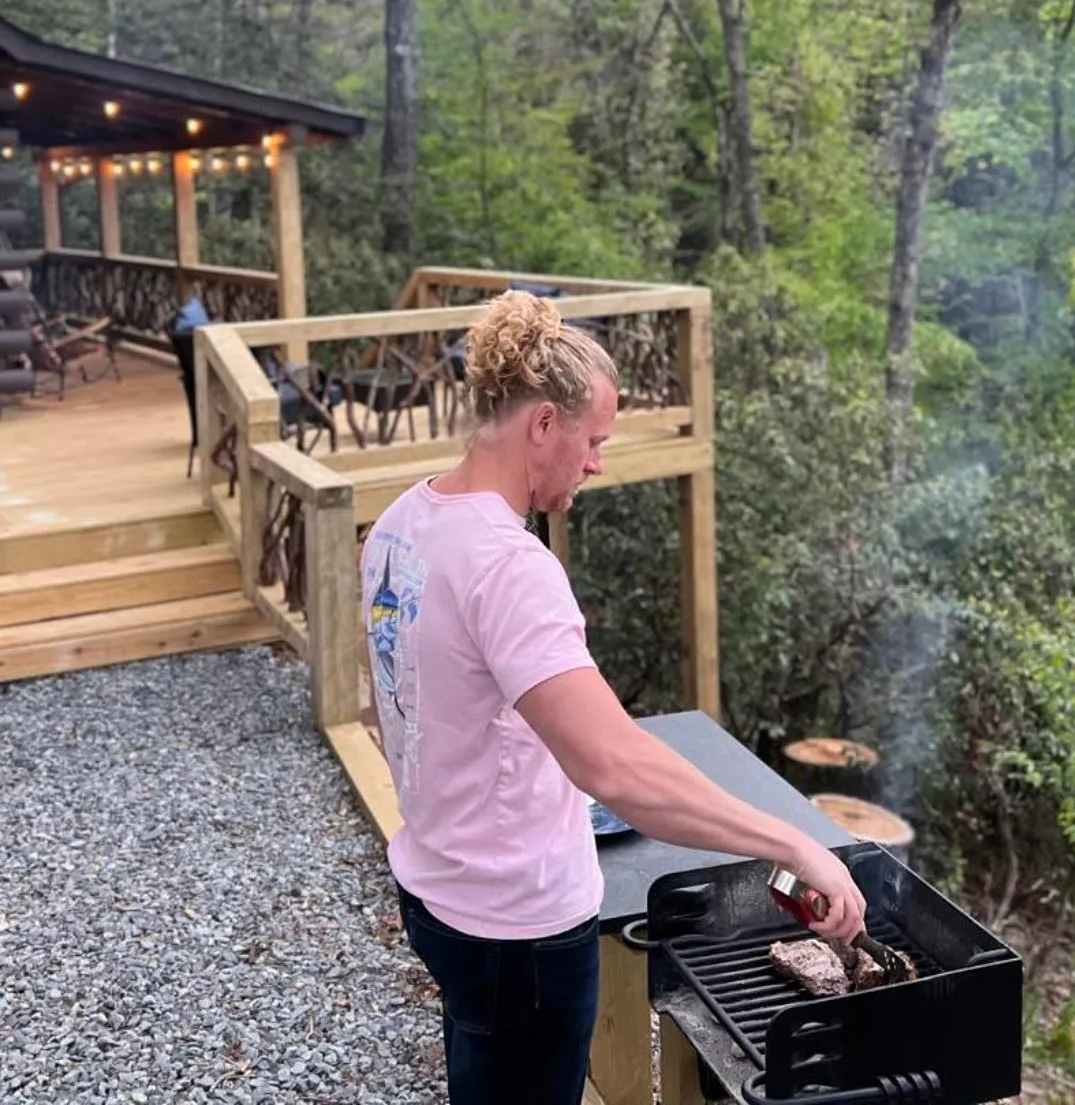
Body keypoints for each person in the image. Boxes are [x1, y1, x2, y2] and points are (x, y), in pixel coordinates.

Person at [362, 290, 866, 1105]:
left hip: (436, 892)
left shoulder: (398, 526)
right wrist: (794, 844)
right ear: (543, 425)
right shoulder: (509, 567)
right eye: (593, 439)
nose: (596, 463)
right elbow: (618, 772)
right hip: (516, 929)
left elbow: (417, 702)